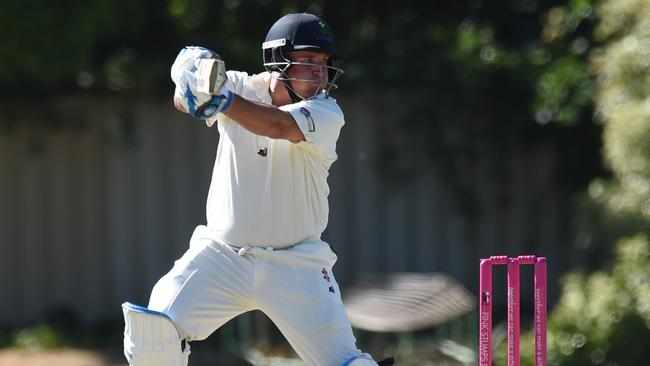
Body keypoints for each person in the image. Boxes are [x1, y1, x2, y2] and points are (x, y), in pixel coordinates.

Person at [121, 13, 392, 366]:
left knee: (349, 364)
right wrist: (192, 73)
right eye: (308, 61)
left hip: (297, 264)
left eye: (323, 63)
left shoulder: (327, 113)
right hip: (222, 256)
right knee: (151, 336)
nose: (318, 73)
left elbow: (278, 126)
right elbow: (183, 95)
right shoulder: (239, 85)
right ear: (278, 59)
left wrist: (222, 101)